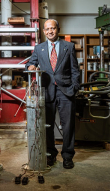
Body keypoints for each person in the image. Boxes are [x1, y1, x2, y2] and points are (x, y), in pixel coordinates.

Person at [25, 19, 80, 169]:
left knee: (68, 126)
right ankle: (50, 154)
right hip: (47, 91)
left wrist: (74, 87)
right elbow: (30, 63)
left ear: (58, 29)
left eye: (53, 28)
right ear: (43, 31)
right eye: (47, 29)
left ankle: (68, 156)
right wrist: (30, 67)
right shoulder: (39, 48)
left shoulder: (69, 46)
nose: (50, 31)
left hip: (66, 91)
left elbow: (75, 70)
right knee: (47, 125)